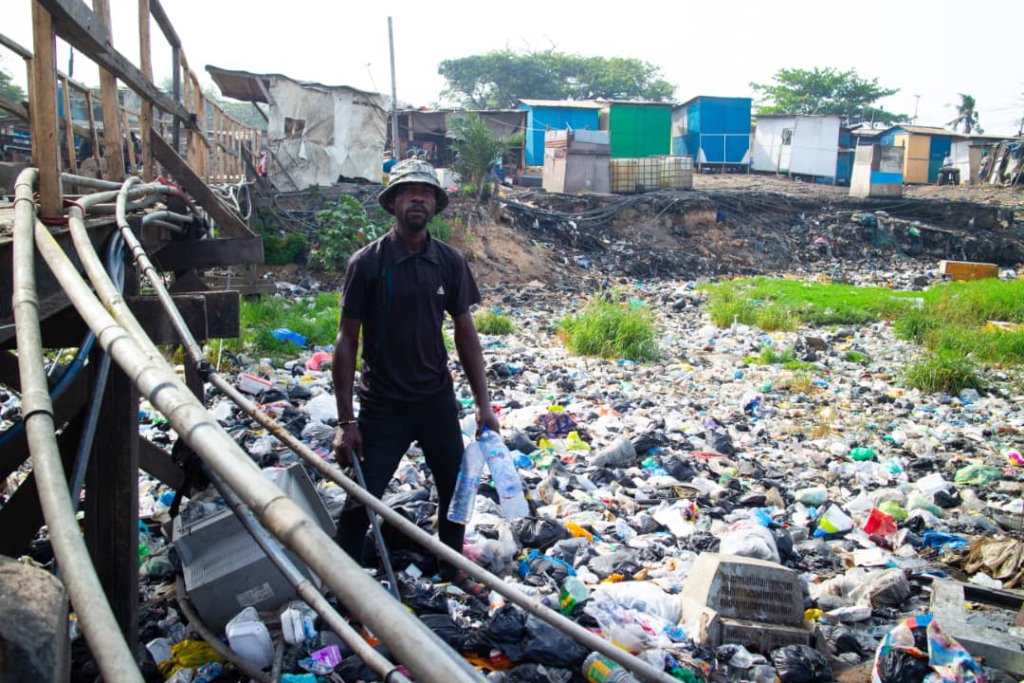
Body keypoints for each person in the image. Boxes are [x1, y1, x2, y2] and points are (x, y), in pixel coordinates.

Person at [331, 158, 499, 596]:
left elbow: (466, 335)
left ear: (435, 205)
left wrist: (484, 406)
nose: (418, 199)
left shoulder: (449, 262)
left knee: (456, 488)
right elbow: (347, 341)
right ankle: (342, 578)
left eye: (426, 192)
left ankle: (451, 568)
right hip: (383, 404)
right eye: (409, 192)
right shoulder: (367, 263)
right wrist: (346, 422)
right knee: (360, 497)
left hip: (435, 400)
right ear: (393, 203)